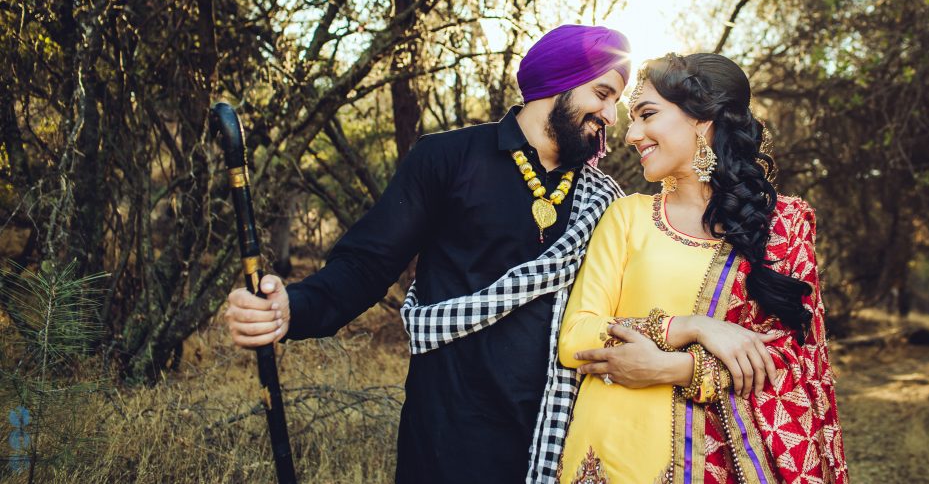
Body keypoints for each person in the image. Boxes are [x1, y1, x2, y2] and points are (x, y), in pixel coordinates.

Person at [223, 24, 631, 483]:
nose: (611, 115)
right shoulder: (448, 157)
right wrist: (291, 307)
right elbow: (366, 264)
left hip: (557, 433)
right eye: (603, 93)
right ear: (559, 80)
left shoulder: (605, 199)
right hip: (449, 432)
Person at [555, 53, 848, 484]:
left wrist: (674, 369)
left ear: (701, 121)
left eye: (647, 114)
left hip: (724, 464)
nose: (632, 134)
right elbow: (577, 337)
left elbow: (797, 361)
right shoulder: (626, 216)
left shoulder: (780, 223)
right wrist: (693, 327)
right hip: (613, 453)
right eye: (630, 118)